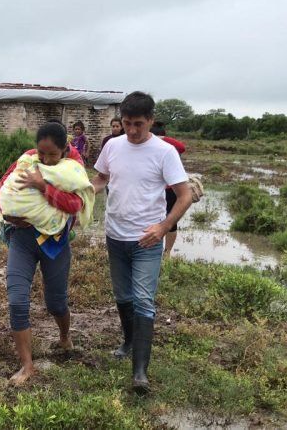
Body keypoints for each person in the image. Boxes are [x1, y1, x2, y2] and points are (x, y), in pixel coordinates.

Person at [91, 92, 192, 394]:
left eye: (138, 124)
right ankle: (128, 341)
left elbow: (184, 195)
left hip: (147, 240)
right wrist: (83, 192)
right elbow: (100, 179)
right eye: (126, 123)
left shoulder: (164, 152)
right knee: (123, 296)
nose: (132, 130)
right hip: (115, 235)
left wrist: (163, 227)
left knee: (143, 299)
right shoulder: (112, 145)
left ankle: (140, 374)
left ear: (150, 120)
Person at [0, 120, 95, 385]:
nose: (47, 160)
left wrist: (43, 187)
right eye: (42, 154)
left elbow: (74, 204)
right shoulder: (27, 161)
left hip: (55, 243)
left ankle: (64, 337)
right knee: (17, 299)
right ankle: (27, 366)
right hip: (22, 238)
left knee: (56, 302)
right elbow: (3, 187)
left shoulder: (72, 170)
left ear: (64, 150)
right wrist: (9, 211)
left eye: (52, 154)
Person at [150, 122, 187, 258]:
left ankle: (167, 252)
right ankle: (153, 247)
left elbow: (182, 147)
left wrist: (161, 138)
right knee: (153, 218)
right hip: (154, 188)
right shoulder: (146, 146)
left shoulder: (170, 147)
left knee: (170, 220)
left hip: (170, 188)